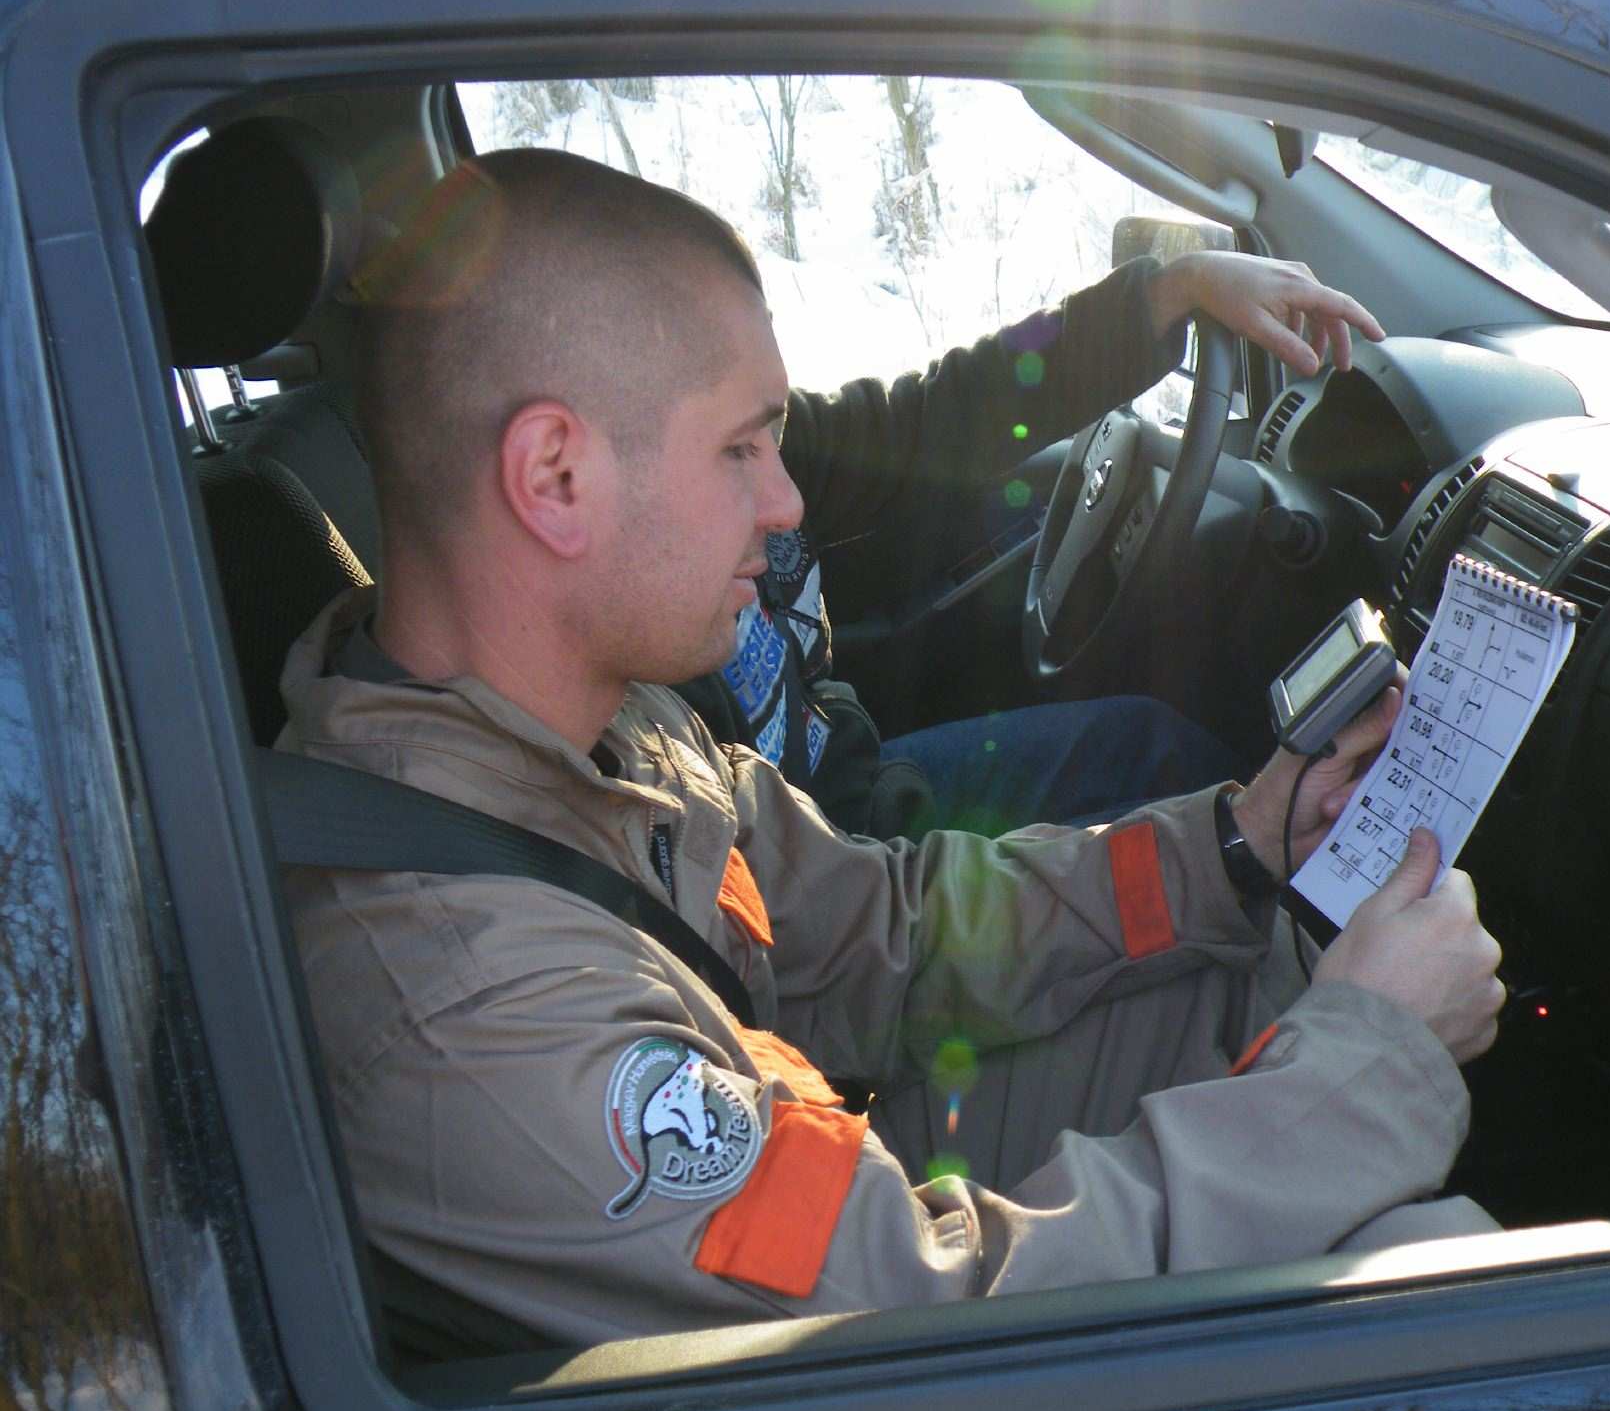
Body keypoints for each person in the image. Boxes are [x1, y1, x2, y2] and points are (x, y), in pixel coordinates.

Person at [281, 148, 1503, 1345]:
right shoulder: (471, 1004)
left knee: (1259, 970)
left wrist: (1229, 848)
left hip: (822, 1147)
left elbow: (881, 932)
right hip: (881, 1327)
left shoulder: (601, 729)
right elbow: (925, 1326)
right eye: (741, 448)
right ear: (553, 475)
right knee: (1421, 1270)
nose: (788, 501)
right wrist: (1369, 1059)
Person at [678, 245, 1372, 839]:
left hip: (855, 784)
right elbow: (833, 918)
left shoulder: (764, 458)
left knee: (1157, 748)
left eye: (773, 434)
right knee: (1211, 813)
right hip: (845, 863)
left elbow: (937, 414)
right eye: (738, 449)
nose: (788, 500)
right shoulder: (652, 724)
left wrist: (1169, 293)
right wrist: (1229, 856)